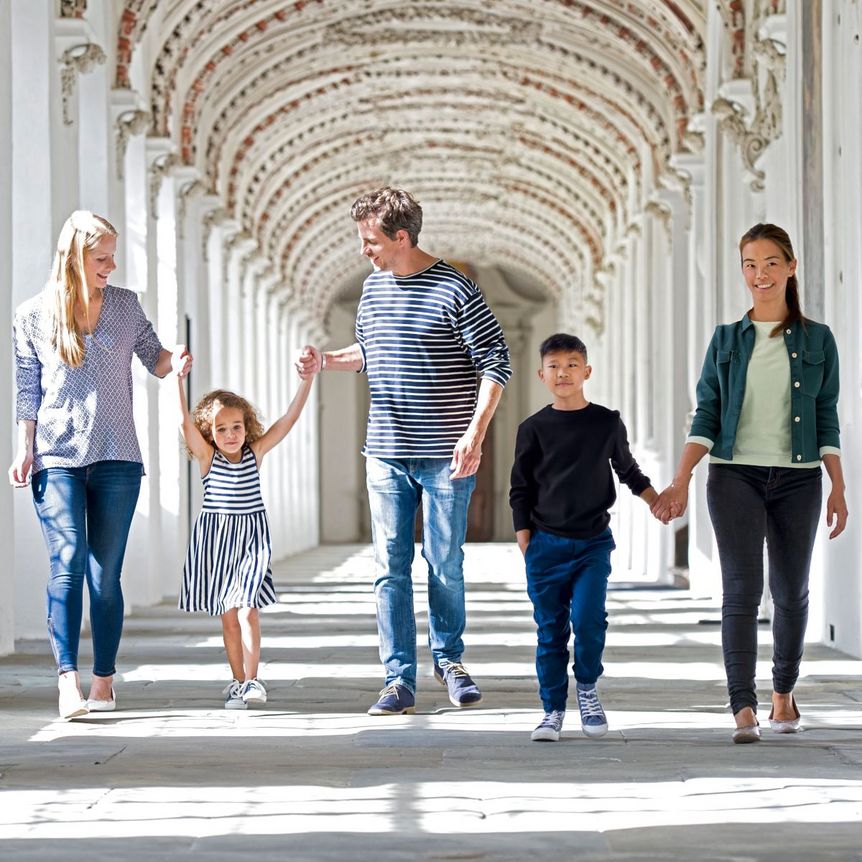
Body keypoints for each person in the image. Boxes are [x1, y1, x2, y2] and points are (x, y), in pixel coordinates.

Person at [297, 187, 511, 715]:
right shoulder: (373, 289)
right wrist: (324, 360)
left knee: (445, 563)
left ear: (401, 236)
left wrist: (475, 433)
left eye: (370, 240)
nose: (363, 250)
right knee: (389, 566)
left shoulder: (456, 289)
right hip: (386, 450)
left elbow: (496, 363)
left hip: (446, 453)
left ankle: (450, 659)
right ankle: (398, 679)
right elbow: (369, 352)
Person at [651, 223, 848, 743]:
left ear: (790, 267)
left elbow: (826, 415)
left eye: (769, 263)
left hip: (799, 479)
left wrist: (840, 487)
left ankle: (784, 692)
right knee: (740, 591)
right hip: (733, 475)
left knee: (791, 591)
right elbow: (707, 414)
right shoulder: (726, 339)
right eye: (749, 264)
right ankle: (743, 705)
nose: (759, 274)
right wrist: (680, 478)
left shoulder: (817, 339)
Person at [9, 210, 191, 720]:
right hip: (56, 454)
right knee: (65, 565)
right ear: (75, 257)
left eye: (113, 257)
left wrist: (175, 360)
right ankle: (67, 680)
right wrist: (23, 448)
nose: (111, 266)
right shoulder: (32, 315)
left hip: (117, 456)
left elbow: (155, 359)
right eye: (102, 258)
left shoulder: (126, 306)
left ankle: (104, 680)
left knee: (104, 574)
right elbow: (27, 389)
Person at [510, 333, 659, 742]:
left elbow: (628, 471)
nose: (563, 373)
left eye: (572, 364)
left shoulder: (606, 422)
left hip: (593, 542)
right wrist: (526, 539)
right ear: (542, 374)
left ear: (587, 371)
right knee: (550, 629)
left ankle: (588, 690)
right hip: (545, 545)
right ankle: (552, 710)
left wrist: (655, 500)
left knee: (589, 620)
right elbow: (519, 488)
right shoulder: (533, 428)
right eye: (554, 366)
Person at [177, 371, 315, 709]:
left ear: (247, 425)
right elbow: (184, 422)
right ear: (209, 433)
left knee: (248, 611)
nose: (230, 434)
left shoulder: (255, 453)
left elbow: (289, 418)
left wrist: (307, 380)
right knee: (228, 616)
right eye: (220, 429)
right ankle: (238, 682)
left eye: (236, 426)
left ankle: (253, 681)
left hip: (251, 540)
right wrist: (179, 381)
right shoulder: (209, 459)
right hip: (217, 542)